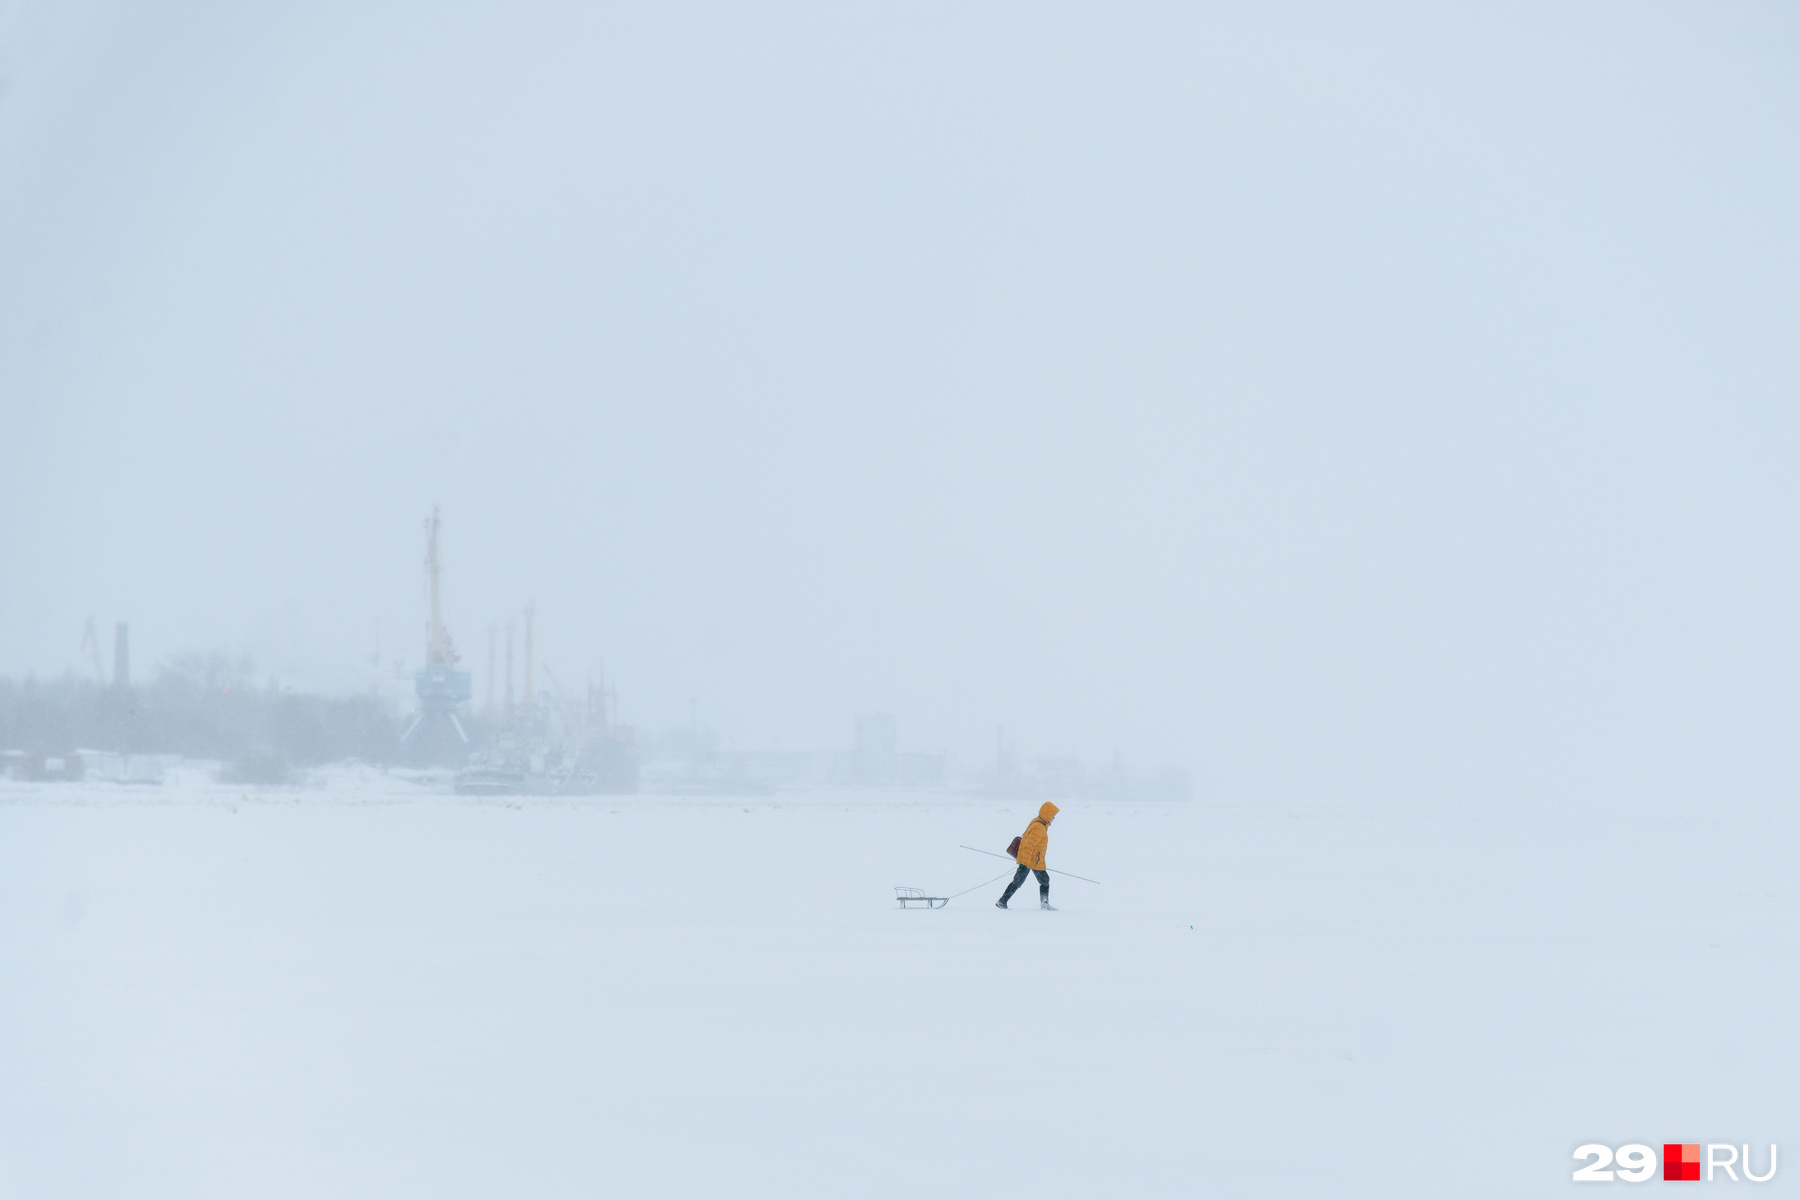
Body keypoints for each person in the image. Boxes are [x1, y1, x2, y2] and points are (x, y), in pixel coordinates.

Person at [997, 801, 1059, 910]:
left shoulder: (1039, 822)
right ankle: (1002, 901)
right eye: (1053, 816)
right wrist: (1023, 864)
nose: (1054, 818)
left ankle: (1044, 904)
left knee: (1044, 880)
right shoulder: (1039, 827)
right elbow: (1028, 846)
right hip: (1029, 861)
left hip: (1034, 860)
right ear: (1047, 815)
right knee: (1019, 881)